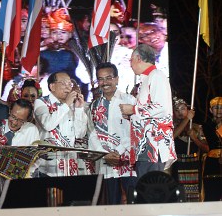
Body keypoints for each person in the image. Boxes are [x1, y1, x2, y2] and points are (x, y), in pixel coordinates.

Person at [119, 44, 176, 178]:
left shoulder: (157, 76)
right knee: (145, 192)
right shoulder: (147, 78)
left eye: (131, 60)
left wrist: (133, 109)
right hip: (145, 147)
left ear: (138, 58)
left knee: (152, 192)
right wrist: (131, 115)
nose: (130, 64)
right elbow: (148, 112)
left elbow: (161, 108)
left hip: (153, 147)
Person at [88, 62, 137, 205]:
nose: (105, 82)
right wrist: (105, 155)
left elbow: (135, 130)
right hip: (106, 163)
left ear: (116, 79)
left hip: (127, 161)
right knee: (110, 205)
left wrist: (118, 152)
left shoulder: (130, 101)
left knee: (134, 203)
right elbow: (91, 132)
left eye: (108, 78)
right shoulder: (94, 105)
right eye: (101, 79)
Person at [34, 71, 88, 176]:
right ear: (52, 86)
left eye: (70, 84)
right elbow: (48, 125)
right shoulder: (41, 102)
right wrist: (66, 104)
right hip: (47, 165)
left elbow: (80, 134)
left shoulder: (73, 105)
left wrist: (79, 109)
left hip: (69, 163)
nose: (68, 87)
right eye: (63, 83)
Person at [171, 97, 208, 202]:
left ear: (188, 110)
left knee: (194, 198)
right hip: (177, 166)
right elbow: (172, 137)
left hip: (194, 167)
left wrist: (194, 138)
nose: (180, 112)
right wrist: (187, 118)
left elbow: (206, 148)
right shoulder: (171, 127)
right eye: (177, 109)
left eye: (183, 109)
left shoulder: (197, 128)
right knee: (177, 197)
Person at [201, 97, 222, 201]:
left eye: (221, 107)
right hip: (212, 162)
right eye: (216, 107)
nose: (219, 110)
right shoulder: (206, 126)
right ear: (210, 110)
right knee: (211, 192)